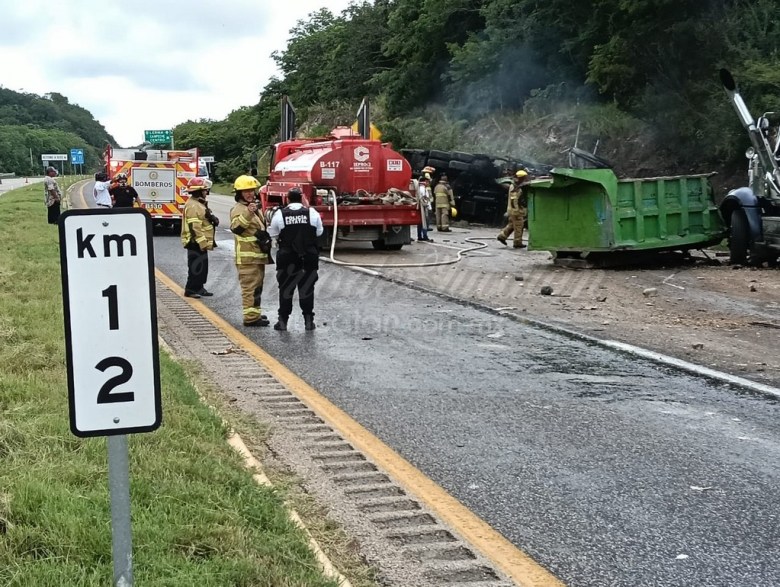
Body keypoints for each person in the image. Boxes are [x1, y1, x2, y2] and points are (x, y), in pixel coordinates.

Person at [268, 187, 324, 331]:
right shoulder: (312, 213)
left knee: (286, 289)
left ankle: (283, 322)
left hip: (287, 258)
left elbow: (273, 233)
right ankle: (309, 321)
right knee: (307, 289)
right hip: (308, 257)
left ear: (287, 199)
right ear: (301, 198)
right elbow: (319, 232)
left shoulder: (280, 214)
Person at [230, 175, 272, 327]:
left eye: (251, 190)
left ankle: (255, 314)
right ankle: (250, 318)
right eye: (245, 191)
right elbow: (237, 228)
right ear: (239, 193)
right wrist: (248, 212)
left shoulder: (253, 207)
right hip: (247, 258)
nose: (250, 193)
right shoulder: (239, 209)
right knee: (250, 288)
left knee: (256, 288)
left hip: (256, 257)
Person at [181, 177, 217, 298]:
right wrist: (202, 243)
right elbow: (194, 227)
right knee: (195, 267)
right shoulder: (192, 205)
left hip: (200, 242)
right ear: (198, 191)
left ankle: (199, 287)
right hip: (194, 242)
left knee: (202, 267)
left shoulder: (199, 203)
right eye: (204, 190)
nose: (206, 192)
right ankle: (190, 289)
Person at [497, 169, 529, 248]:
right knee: (519, 227)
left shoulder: (513, 185)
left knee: (512, 224)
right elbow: (516, 200)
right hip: (516, 211)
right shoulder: (517, 188)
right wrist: (520, 209)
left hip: (511, 210)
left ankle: (502, 236)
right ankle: (517, 243)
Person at [416, 174, 433, 242]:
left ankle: (419, 236)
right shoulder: (423, 189)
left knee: (420, 223)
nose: (428, 183)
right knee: (424, 222)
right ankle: (425, 236)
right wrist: (428, 206)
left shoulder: (419, 188)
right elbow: (424, 199)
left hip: (421, 208)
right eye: (428, 182)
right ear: (425, 181)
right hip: (424, 208)